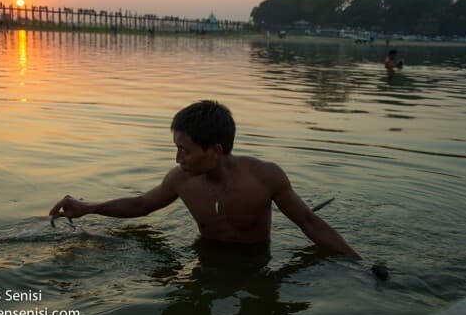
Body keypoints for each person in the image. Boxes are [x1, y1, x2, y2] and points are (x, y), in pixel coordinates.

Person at [49, 100, 361, 260]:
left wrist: (356, 262)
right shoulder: (181, 179)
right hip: (205, 256)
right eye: (176, 150)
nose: (177, 159)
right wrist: (88, 208)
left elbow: (309, 222)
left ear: (215, 151)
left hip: (256, 261)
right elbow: (142, 204)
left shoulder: (265, 177)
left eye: (184, 150)